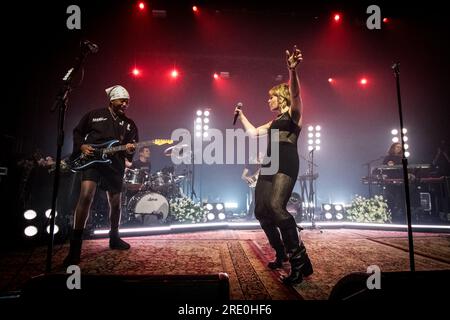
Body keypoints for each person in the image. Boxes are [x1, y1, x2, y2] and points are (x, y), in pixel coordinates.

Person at [235, 46, 313, 285]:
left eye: (272, 97)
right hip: (269, 163)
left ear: (282, 98)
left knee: (276, 206)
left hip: (286, 162)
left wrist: (292, 71)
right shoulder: (273, 121)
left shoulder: (294, 115)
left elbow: (297, 94)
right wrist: (241, 115)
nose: (268, 100)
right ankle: (281, 254)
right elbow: (252, 133)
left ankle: (300, 262)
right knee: (261, 210)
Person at [63, 85, 138, 266]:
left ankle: (114, 237)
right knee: (86, 196)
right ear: (112, 100)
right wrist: (81, 146)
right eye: (122, 100)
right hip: (93, 162)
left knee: (115, 204)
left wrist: (129, 151)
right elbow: (78, 132)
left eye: (127, 101)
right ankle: (75, 249)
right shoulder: (94, 114)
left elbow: (130, 148)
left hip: (115, 164)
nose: (125, 104)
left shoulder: (129, 124)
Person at [241, 152, 262, 219]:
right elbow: (242, 176)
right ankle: (251, 215)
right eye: (260, 155)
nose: (262, 156)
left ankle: (256, 215)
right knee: (255, 200)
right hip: (254, 184)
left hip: (263, 183)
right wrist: (248, 178)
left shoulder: (264, 164)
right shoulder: (250, 165)